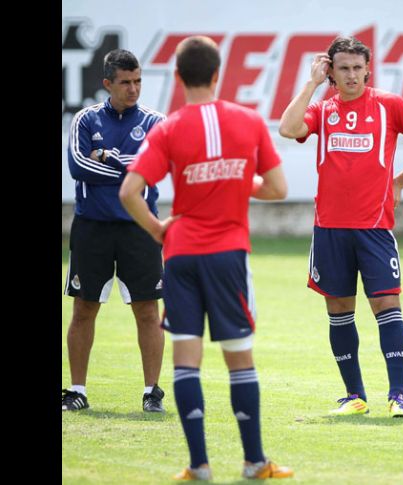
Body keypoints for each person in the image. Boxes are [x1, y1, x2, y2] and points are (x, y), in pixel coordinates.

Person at [119, 35, 292, 480]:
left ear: (177, 78)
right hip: (227, 256)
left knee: (186, 360)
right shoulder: (249, 121)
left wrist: (159, 229)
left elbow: (129, 192)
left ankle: (198, 465)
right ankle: (254, 462)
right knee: (238, 356)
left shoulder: (169, 128)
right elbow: (277, 188)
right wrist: (239, 183)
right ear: (218, 75)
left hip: (181, 256)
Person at [278, 36, 403, 417]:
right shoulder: (322, 108)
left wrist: (399, 182)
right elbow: (287, 128)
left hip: (374, 228)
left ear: (368, 70)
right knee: (339, 309)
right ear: (331, 70)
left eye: (357, 68)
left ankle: (398, 396)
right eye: (343, 68)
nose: (351, 75)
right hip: (330, 228)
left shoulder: (389, 105)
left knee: (386, 304)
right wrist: (311, 83)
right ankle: (354, 396)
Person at [63, 48, 166, 413]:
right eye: (125, 82)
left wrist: (106, 158)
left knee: (147, 311)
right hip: (92, 227)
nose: (134, 89)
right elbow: (77, 166)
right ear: (108, 83)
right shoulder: (86, 120)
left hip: (140, 228)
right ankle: (77, 390)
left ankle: (152, 392)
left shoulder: (156, 122)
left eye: (138, 81)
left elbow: (154, 169)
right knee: (84, 308)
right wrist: (130, 169)